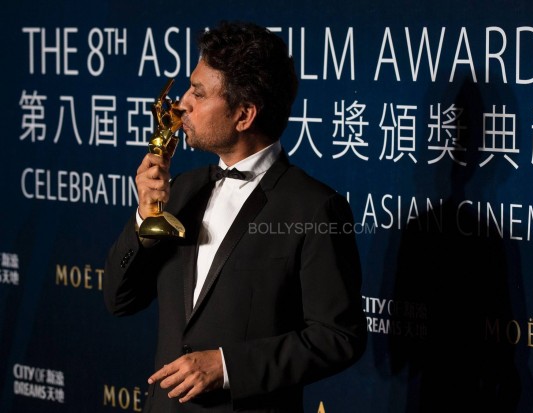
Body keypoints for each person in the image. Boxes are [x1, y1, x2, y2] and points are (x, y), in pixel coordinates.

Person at [103, 21, 367, 412]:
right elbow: (118, 299)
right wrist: (145, 219)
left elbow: (337, 337)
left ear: (244, 115)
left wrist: (227, 366)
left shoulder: (313, 207)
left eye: (198, 93)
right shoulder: (181, 189)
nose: (181, 105)